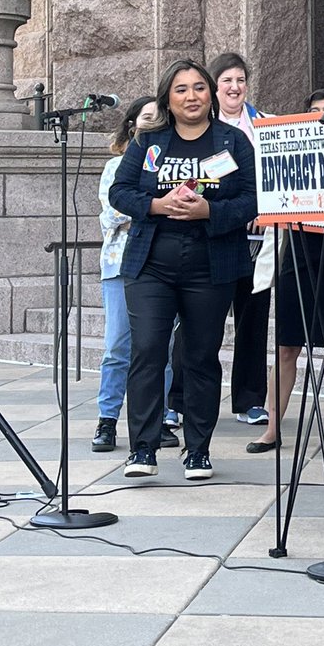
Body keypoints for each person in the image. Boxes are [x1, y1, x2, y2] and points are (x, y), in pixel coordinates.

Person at [111, 59, 257, 480]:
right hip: (150, 266)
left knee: (200, 357)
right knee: (148, 351)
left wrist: (209, 210)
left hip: (211, 268)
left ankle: (198, 450)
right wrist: (156, 205)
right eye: (181, 90)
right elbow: (121, 191)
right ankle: (143, 448)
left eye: (198, 88)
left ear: (210, 94)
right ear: (167, 99)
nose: (191, 96)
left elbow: (253, 199)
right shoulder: (148, 142)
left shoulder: (232, 142)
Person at [247, 89, 324, 456]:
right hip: (297, 248)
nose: (322, 117)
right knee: (286, 344)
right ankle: (272, 429)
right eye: (315, 111)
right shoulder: (294, 147)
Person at [91, 95, 181, 453]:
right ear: (132, 124)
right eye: (146, 117)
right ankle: (107, 420)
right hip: (119, 265)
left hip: (160, 264)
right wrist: (157, 206)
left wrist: (146, 206)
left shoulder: (171, 163)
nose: (152, 123)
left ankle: (156, 421)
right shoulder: (116, 167)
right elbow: (113, 212)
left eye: (159, 118)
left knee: (160, 346)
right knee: (118, 346)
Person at [209, 52, 271, 425]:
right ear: (214, 88)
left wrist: (266, 213)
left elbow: (276, 178)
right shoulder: (201, 129)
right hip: (214, 236)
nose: (235, 87)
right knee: (201, 323)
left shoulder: (265, 124)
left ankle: (250, 399)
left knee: (253, 322)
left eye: (240, 80)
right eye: (227, 81)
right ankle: (181, 401)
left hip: (256, 242)